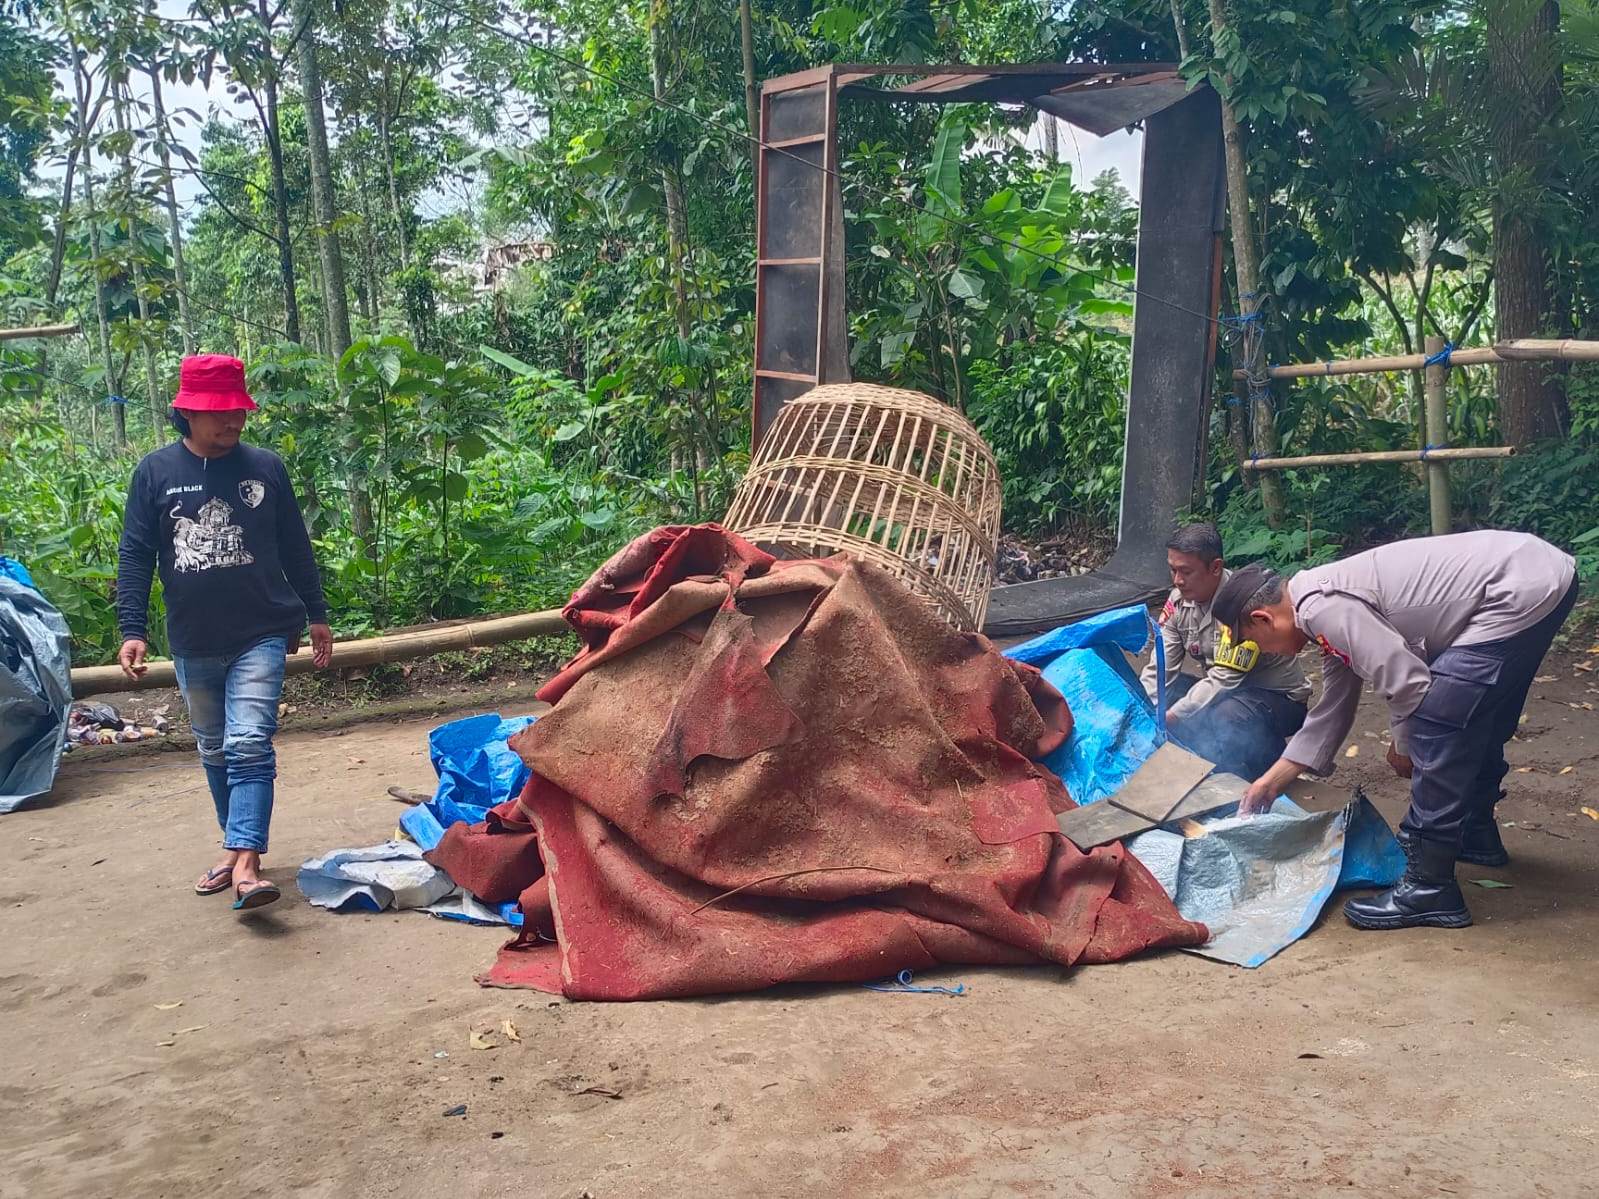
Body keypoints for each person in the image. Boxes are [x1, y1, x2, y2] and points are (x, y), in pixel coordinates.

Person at [1210, 530, 1578, 931]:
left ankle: (1429, 887)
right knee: (1470, 711)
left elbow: (1407, 682)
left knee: (1440, 718)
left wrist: (1405, 741)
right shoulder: (1320, 614)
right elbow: (1332, 711)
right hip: (1538, 574)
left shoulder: (1321, 608)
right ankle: (1473, 833)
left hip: (1519, 588)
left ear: (1263, 618)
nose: (1263, 652)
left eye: (1255, 642)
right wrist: (1271, 782)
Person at [116, 353, 333, 912]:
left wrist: (317, 613)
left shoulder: (265, 468)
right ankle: (235, 850)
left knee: (248, 742)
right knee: (215, 748)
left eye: (238, 409)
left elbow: (295, 547)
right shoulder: (155, 473)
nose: (232, 421)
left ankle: (246, 862)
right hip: (193, 639)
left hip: (263, 629)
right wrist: (131, 628)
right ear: (186, 411)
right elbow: (136, 555)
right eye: (219, 412)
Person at [1140, 523, 1311, 780]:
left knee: (1225, 714)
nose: (1177, 580)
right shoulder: (1177, 602)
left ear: (1215, 567)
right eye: (1173, 570)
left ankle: (1265, 770)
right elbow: (1161, 666)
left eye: (1186, 571)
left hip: (1278, 699)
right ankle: (1205, 760)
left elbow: (1224, 678)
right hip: (1230, 692)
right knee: (1170, 693)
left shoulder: (1242, 603)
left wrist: (1169, 717)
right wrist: (1143, 710)